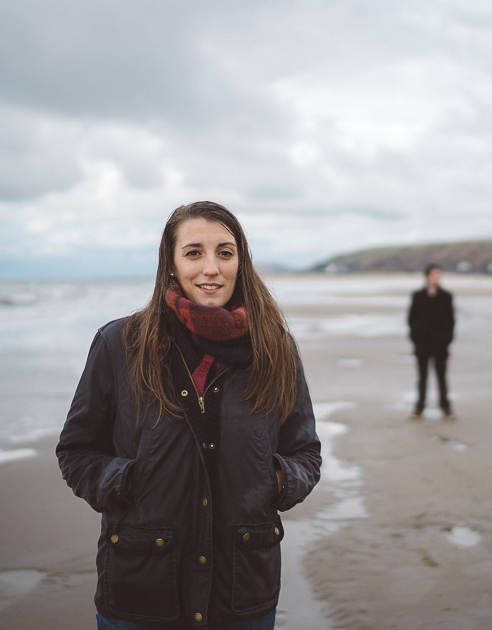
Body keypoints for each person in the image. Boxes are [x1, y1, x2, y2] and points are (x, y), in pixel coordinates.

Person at [58, 201, 322, 630]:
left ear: (241, 261)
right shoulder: (119, 344)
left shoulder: (276, 349)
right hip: (142, 584)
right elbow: (77, 451)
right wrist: (125, 482)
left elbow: (305, 452)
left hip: (243, 586)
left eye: (225, 252)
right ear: (172, 264)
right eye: (194, 252)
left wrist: (272, 481)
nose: (211, 268)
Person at [407, 263, 455, 419]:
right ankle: (419, 407)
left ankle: (446, 408)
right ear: (427, 276)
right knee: (422, 378)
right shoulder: (418, 296)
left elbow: (451, 321)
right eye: (434, 275)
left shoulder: (446, 296)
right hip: (422, 344)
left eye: (439, 275)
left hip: (440, 345)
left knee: (441, 377)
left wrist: (446, 339)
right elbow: (411, 319)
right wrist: (416, 339)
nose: (437, 278)